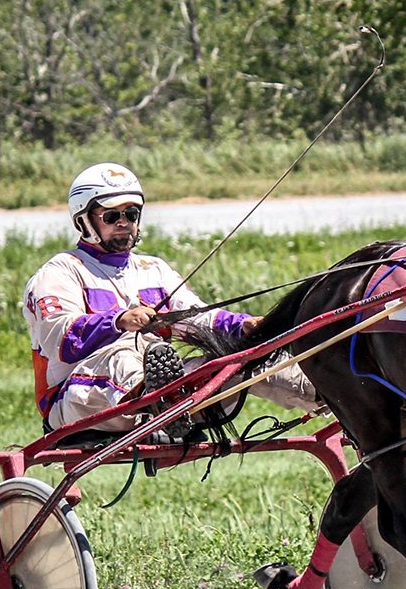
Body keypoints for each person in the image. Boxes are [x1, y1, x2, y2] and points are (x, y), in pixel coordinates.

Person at [23, 162, 314, 433]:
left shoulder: (154, 269)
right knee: (122, 355)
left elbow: (197, 318)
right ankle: (162, 404)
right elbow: (59, 339)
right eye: (111, 216)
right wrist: (119, 321)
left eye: (131, 214)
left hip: (166, 391)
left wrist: (243, 327)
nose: (124, 222)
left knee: (245, 357)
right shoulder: (60, 271)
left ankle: (328, 392)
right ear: (83, 221)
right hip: (75, 401)